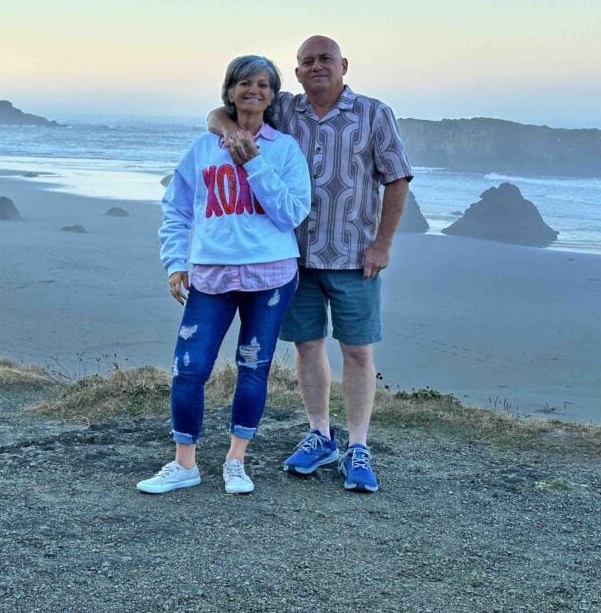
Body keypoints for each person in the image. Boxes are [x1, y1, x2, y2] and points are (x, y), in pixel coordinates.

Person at [208, 35, 412, 493]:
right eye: (307, 61)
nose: (317, 66)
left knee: (358, 350)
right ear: (297, 72)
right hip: (291, 258)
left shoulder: (374, 113)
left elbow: (397, 180)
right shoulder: (283, 108)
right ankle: (321, 434)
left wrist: (383, 244)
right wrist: (229, 130)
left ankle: (358, 445)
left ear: (344, 65)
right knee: (307, 346)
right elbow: (221, 110)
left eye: (325, 59)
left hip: (354, 256)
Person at [137, 55, 311, 496]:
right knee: (188, 368)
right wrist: (175, 262)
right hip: (211, 274)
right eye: (244, 83)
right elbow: (175, 207)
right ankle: (184, 464)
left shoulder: (284, 149)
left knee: (253, 367)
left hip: (271, 275)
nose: (254, 91)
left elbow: (291, 212)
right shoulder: (203, 147)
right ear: (230, 90)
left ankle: (236, 460)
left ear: (272, 96)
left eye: (263, 85)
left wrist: (254, 162)